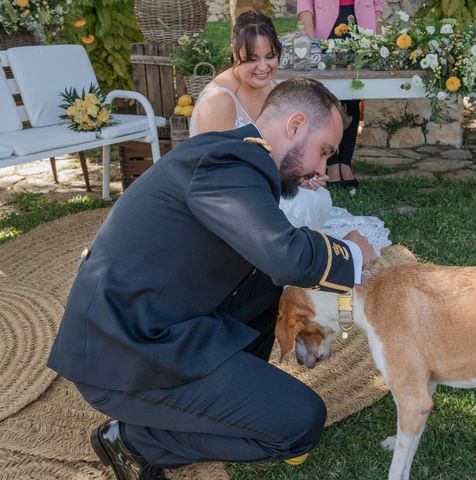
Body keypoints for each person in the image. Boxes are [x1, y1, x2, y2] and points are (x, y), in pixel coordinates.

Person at [47, 78, 378, 480]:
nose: (322, 169)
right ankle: (133, 440)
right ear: (294, 126)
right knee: (300, 422)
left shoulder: (233, 154)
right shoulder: (230, 163)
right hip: (121, 355)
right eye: (324, 152)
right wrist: (352, 252)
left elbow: (272, 258)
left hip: (152, 323)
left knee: (268, 283)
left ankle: (222, 401)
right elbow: (284, 253)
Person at [190, 10, 391, 254]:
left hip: (266, 181)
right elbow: (215, 171)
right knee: (300, 207)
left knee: (319, 199)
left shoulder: (273, 88)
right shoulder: (219, 101)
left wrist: (301, 174)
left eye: (270, 56)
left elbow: (282, 151)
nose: (263, 67)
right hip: (232, 194)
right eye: (252, 59)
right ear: (235, 53)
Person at [297, 0, 384, 189]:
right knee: (327, 101)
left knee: (352, 97)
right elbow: (304, 5)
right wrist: (311, 41)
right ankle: (332, 164)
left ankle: (346, 164)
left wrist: (376, 32)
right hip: (326, 28)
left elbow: (378, 4)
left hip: (361, 27)